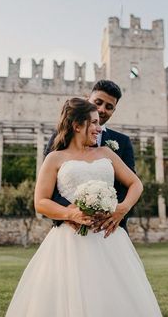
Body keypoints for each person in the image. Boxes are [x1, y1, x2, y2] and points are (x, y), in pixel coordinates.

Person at [5, 98, 162, 317]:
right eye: (94, 123)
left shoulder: (106, 154)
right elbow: (40, 202)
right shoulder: (54, 158)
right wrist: (71, 213)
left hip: (110, 241)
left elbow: (136, 183)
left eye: (99, 123)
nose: (99, 128)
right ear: (77, 125)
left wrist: (121, 208)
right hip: (69, 242)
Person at [44, 80, 135, 236]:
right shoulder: (58, 139)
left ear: (114, 110)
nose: (101, 109)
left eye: (109, 107)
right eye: (98, 102)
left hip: (109, 229)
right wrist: (71, 211)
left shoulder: (122, 142)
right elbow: (48, 186)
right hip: (70, 227)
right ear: (88, 99)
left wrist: (115, 210)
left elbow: (130, 184)